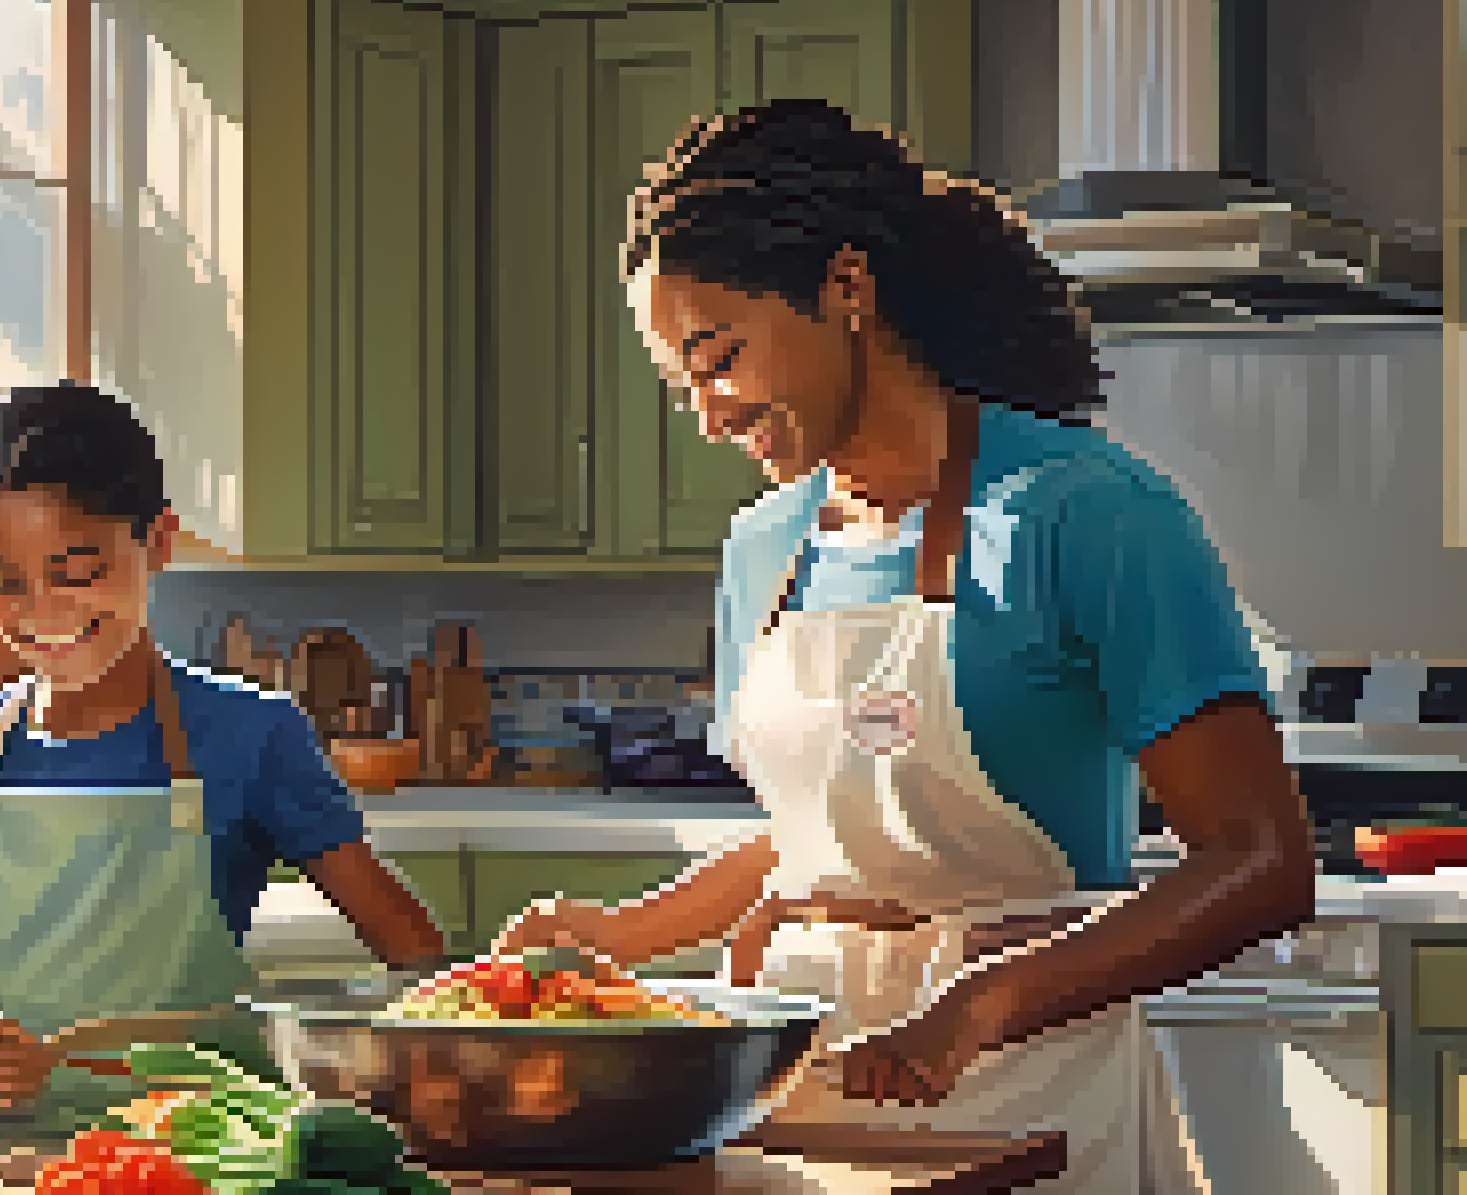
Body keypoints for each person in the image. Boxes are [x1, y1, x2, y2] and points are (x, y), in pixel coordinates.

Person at [491, 100, 1314, 1193]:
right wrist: (632, 931)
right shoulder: (763, 549)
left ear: (845, 286)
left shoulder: (1089, 515)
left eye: (721, 355)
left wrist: (979, 1009)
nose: (707, 414)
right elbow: (828, 837)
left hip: (1035, 1101)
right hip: (801, 1094)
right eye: (682, 381)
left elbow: (1260, 863)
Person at [0, 382, 449, 1136]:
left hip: (191, 1149)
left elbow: (416, 953)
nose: (41, 610)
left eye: (76, 571)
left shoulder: (253, 735)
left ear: (159, 542)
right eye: (6, 580)